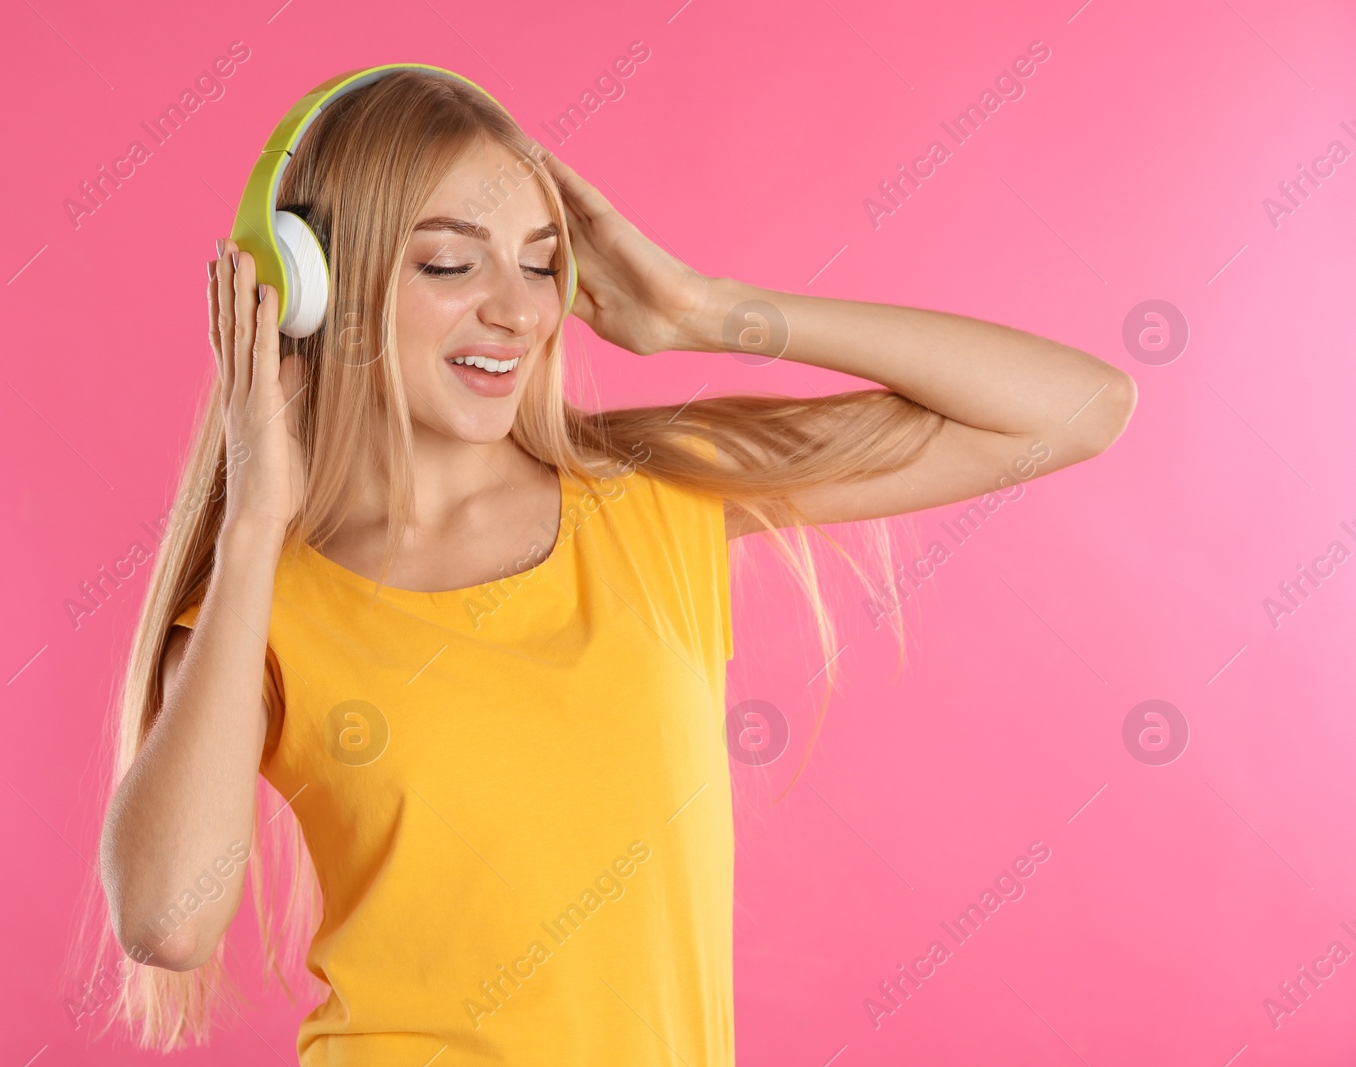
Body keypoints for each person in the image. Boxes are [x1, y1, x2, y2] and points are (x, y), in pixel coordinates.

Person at [85, 70, 1135, 1062]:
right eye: (450, 262)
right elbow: (169, 917)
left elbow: (1078, 408)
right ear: (311, 288)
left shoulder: (651, 492)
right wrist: (256, 519)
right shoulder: (267, 599)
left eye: (542, 260)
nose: (518, 309)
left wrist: (705, 311)